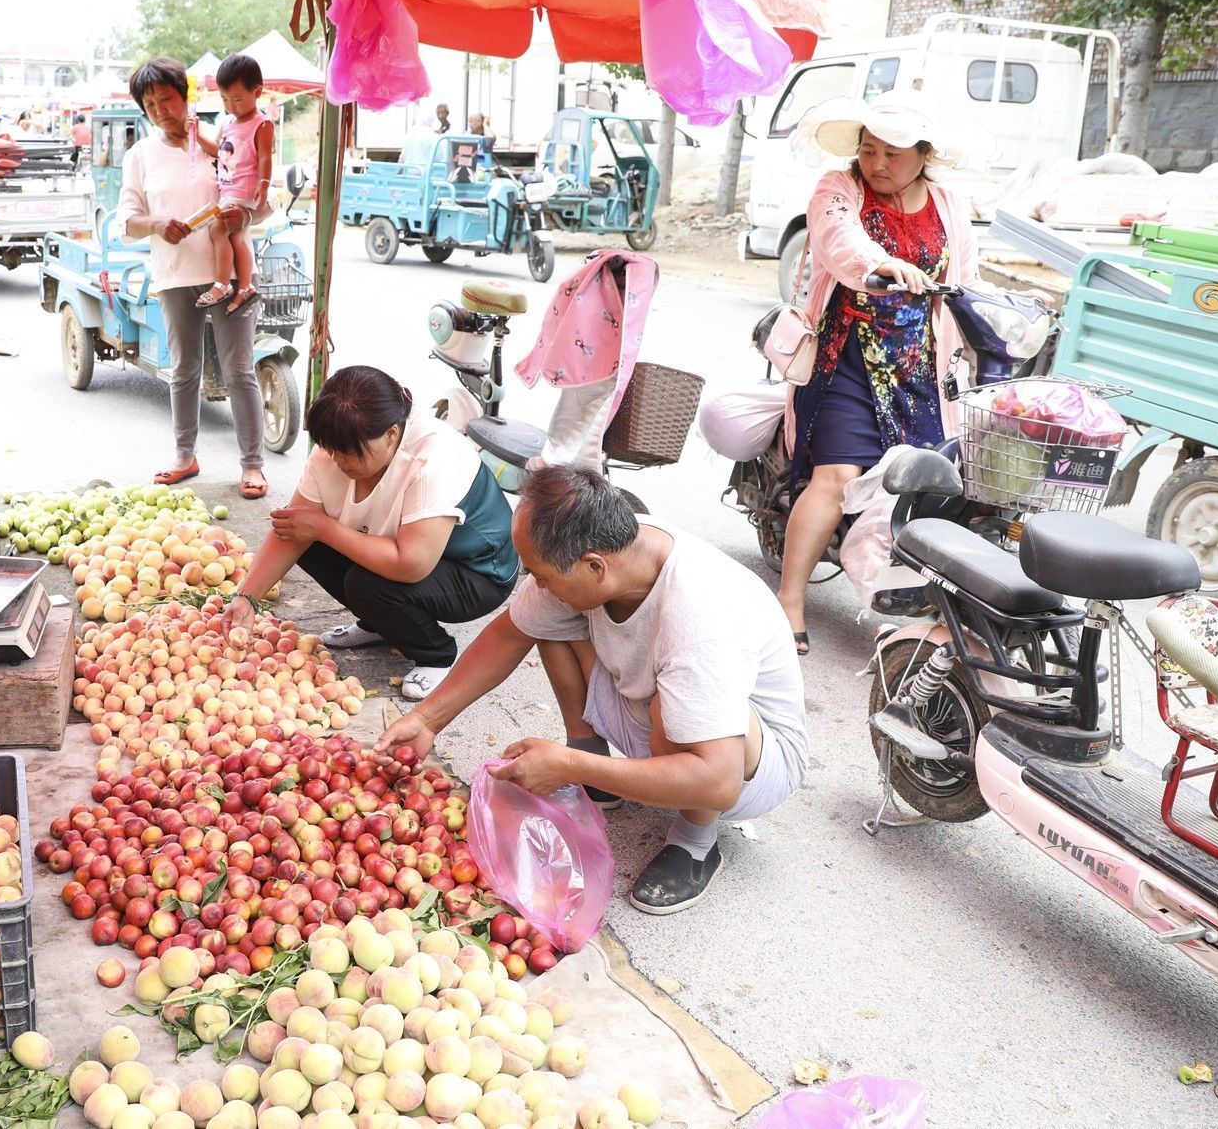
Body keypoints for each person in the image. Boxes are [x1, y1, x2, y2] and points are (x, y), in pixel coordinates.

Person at [378, 466, 807, 914]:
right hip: (649, 705)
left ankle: (695, 843)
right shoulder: (610, 549)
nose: (536, 584)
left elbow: (718, 781)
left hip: (748, 766)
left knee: (675, 706)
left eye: (541, 574)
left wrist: (566, 766)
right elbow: (509, 634)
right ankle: (595, 756)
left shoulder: (697, 618)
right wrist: (428, 719)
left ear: (594, 567)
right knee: (546, 619)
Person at [777, 93, 980, 654]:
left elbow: (966, 279)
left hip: (919, 371)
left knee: (925, 487)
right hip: (846, 359)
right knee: (835, 479)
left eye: (892, 153)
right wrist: (878, 264)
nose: (877, 163)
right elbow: (839, 240)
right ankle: (789, 600)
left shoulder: (945, 203)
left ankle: (907, 599)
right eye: (869, 150)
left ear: (924, 154)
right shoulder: (838, 189)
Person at [225, 366, 517, 700]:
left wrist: (323, 527)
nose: (338, 461)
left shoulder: (433, 458)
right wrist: (246, 598)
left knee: (366, 585)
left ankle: (436, 654)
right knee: (306, 538)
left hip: (478, 572)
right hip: (406, 552)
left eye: (348, 452)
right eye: (330, 448)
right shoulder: (332, 451)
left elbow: (412, 564)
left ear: (392, 434)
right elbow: (291, 528)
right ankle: (381, 624)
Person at [111, 57, 266, 499]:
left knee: (239, 371)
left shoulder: (222, 139)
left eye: (167, 98)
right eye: (150, 102)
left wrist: (246, 211)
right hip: (176, 275)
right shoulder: (140, 155)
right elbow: (128, 218)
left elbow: (257, 193)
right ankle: (185, 455)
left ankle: (252, 465)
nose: (160, 108)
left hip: (230, 274)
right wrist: (158, 224)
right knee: (183, 370)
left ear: (185, 97)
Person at [193, 54, 274, 312]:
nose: (231, 106)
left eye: (237, 99)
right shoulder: (227, 122)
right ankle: (246, 286)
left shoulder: (262, 124)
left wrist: (264, 183)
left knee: (217, 230)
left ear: (257, 91)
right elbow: (219, 151)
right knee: (237, 236)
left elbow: (264, 156)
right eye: (225, 99)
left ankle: (223, 283)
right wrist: (196, 134)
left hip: (243, 188)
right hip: (227, 188)